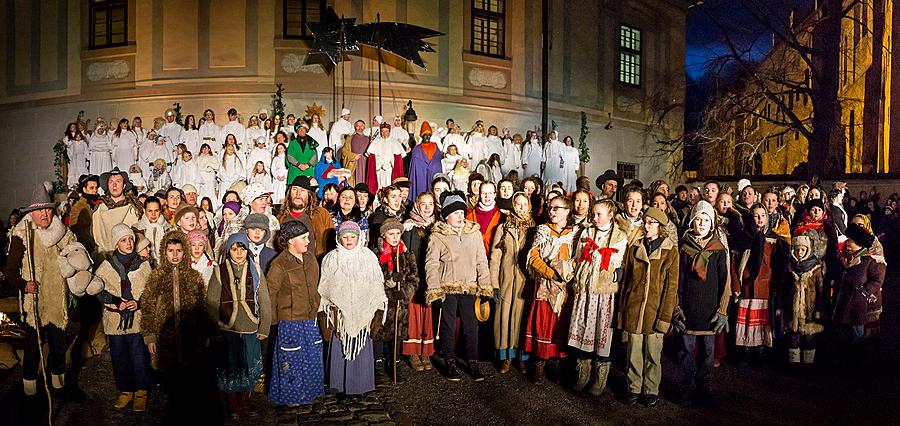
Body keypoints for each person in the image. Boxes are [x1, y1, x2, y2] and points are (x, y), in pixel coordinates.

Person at [5, 184, 89, 400]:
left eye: (48, 210)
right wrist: (24, 285)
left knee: (58, 345)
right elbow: (10, 269)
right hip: (34, 303)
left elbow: (76, 252)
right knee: (33, 346)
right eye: (39, 210)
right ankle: (30, 390)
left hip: (57, 300)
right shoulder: (22, 235)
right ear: (31, 213)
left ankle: (59, 386)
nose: (44, 214)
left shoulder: (62, 232)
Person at [141, 231, 212, 419]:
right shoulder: (156, 276)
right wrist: (149, 335)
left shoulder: (194, 277)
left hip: (190, 336)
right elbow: (147, 306)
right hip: (165, 335)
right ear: (164, 252)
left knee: (189, 372)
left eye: (179, 250)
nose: (175, 255)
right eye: (170, 250)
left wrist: (204, 334)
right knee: (168, 371)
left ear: (185, 251)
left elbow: (202, 307)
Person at [425, 191, 491, 382]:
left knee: (471, 327)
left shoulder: (474, 233)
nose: (460, 216)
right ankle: (450, 363)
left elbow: (481, 261)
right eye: (455, 213)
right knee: (448, 325)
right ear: (446, 216)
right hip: (448, 287)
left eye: (462, 212)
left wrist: (485, 286)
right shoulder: (437, 236)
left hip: (468, 287)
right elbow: (432, 264)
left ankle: (473, 363)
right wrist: (434, 289)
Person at [617, 207, 678, 407]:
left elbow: (671, 287)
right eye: (646, 221)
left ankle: (651, 389)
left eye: (652, 222)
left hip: (655, 310)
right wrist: (622, 311)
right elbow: (626, 280)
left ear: (660, 227)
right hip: (634, 309)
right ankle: (633, 386)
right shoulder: (635, 247)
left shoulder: (670, 251)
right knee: (633, 351)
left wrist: (665, 317)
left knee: (653, 353)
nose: (647, 225)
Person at [207, 232, 271, 418]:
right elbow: (211, 302)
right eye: (234, 249)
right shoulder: (220, 271)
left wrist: (264, 326)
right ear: (229, 251)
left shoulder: (255, 270)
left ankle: (245, 400)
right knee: (231, 367)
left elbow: (264, 300)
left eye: (242, 249)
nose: (238, 253)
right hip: (228, 327)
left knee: (248, 365)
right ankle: (232, 403)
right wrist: (213, 329)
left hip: (250, 326)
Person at [319, 221, 387, 396]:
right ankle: (338, 385)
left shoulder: (368, 257)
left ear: (360, 238)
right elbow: (324, 287)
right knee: (340, 348)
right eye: (345, 237)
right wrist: (324, 310)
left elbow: (376, 285)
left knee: (361, 348)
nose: (349, 240)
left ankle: (359, 386)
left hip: (363, 313)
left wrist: (377, 309)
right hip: (339, 316)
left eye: (352, 237)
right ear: (339, 238)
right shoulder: (331, 258)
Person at [568, 199, 627, 395]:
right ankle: (583, 374)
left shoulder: (619, 236)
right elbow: (577, 256)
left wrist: (600, 256)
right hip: (585, 290)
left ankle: (600, 378)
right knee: (584, 329)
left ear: (610, 215)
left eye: (599, 214)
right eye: (593, 214)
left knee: (602, 334)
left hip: (604, 293)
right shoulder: (587, 232)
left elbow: (619, 263)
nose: (594, 218)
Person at [672, 201, 728, 407]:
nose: (702, 224)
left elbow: (725, 281)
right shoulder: (684, 248)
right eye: (699, 220)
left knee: (707, 351)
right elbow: (677, 281)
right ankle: (686, 385)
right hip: (688, 308)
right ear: (692, 223)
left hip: (709, 310)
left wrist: (722, 310)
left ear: (711, 224)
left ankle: (704, 383)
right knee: (686, 349)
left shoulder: (718, 249)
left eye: (706, 220)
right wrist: (676, 307)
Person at [94, 224, 154, 411]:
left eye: (130, 239)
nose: (128, 243)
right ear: (116, 243)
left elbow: (151, 289)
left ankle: (141, 390)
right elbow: (98, 290)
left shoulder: (143, 265)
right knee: (119, 356)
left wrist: (139, 302)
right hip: (115, 321)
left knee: (138, 355)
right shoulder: (106, 266)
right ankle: (126, 389)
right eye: (123, 240)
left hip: (136, 319)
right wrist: (114, 300)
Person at [265, 221, 324, 409]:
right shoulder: (279, 264)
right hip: (290, 322)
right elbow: (270, 294)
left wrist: (317, 306)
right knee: (291, 361)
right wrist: (272, 322)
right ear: (290, 241)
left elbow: (316, 286)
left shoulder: (310, 259)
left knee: (312, 357)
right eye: (303, 238)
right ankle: (292, 396)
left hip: (310, 319)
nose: (308, 241)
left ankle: (311, 391)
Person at [525, 194, 576, 383]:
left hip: (565, 287)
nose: (552, 211)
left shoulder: (575, 233)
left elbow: (577, 257)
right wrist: (550, 273)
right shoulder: (543, 230)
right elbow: (533, 257)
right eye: (550, 208)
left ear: (567, 211)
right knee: (543, 323)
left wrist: (566, 273)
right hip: (546, 286)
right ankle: (539, 363)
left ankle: (555, 363)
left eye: (556, 208)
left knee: (559, 324)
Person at [733, 204, 787, 366]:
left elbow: (778, 266)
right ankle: (746, 351)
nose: (760, 219)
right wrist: (736, 286)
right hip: (748, 288)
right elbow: (734, 264)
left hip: (766, 287)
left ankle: (761, 352)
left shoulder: (774, 239)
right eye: (756, 215)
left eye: (762, 215)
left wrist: (777, 289)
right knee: (748, 322)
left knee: (763, 322)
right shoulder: (743, 237)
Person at [490, 192, 535, 374]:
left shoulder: (534, 228)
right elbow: (495, 256)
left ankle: (522, 357)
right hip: (506, 278)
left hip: (525, 280)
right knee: (504, 317)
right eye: (518, 204)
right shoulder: (503, 228)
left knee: (521, 318)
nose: (522, 208)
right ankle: (504, 357)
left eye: (525, 204)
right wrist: (493, 282)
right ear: (513, 206)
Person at [370, 218, 418, 382]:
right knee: (379, 332)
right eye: (391, 234)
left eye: (398, 233)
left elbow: (413, 278)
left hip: (399, 303)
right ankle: (377, 365)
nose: (395, 237)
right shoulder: (376, 254)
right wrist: (386, 281)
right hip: (382, 302)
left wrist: (404, 292)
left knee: (396, 333)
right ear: (384, 235)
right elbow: (371, 277)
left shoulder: (406, 254)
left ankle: (393, 363)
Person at [401, 192, 438, 371]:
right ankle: (413, 352)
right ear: (416, 205)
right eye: (423, 204)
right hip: (414, 278)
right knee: (413, 314)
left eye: (430, 204)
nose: (427, 208)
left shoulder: (437, 227)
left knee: (428, 314)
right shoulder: (408, 226)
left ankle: (426, 351)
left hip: (430, 277)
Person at [785, 235, 826, 365]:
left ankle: (808, 363)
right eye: (797, 250)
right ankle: (794, 362)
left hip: (810, 309)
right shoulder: (790, 267)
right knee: (793, 336)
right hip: (794, 310)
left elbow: (820, 291)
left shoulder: (815, 269)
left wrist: (819, 309)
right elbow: (784, 288)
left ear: (808, 250)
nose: (800, 253)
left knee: (809, 337)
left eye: (803, 250)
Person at [92, 168, 143, 254]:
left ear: (124, 185)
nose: (114, 185)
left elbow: (140, 233)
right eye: (111, 182)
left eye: (118, 181)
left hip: (129, 255)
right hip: (104, 255)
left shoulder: (134, 208)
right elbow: (93, 233)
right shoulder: (100, 208)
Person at [366, 122, 407, 191]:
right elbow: (371, 157)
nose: (384, 133)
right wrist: (379, 164)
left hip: (389, 170)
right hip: (379, 169)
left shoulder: (395, 142)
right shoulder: (375, 142)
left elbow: (399, 158)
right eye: (382, 131)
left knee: (389, 186)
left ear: (389, 132)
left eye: (386, 131)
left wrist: (390, 163)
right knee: (379, 186)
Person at [408, 122, 443, 201]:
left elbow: (437, 162)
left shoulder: (435, 146)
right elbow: (415, 167)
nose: (427, 137)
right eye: (425, 135)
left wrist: (432, 167)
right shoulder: (417, 149)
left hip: (433, 174)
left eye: (429, 135)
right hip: (421, 175)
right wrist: (423, 168)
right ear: (422, 136)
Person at [133, 196, 171, 264]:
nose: (153, 214)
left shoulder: (168, 228)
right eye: (150, 211)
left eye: (156, 210)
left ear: (160, 210)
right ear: (144, 210)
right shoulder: (137, 229)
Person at [467, 181, 501, 257]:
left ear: (495, 195)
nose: (487, 196)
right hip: (474, 260)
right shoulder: (469, 216)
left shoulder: (501, 217)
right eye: (484, 193)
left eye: (490, 193)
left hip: (495, 262)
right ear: (479, 194)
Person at [69, 174, 101, 253]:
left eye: (96, 188)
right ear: (84, 189)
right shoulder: (77, 207)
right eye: (91, 188)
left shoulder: (101, 203)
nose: (95, 190)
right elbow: (74, 230)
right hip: (87, 248)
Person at [368, 185, 406, 250]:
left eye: (399, 196)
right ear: (386, 199)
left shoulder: (405, 213)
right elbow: (375, 241)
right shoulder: (379, 218)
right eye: (393, 197)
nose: (397, 200)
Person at [342, 120, 371, 186]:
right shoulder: (350, 138)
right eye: (358, 126)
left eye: (361, 126)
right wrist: (353, 156)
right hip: (354, 163)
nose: (360, 127)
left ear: (364, 127)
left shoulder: (368, 139)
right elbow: (344, 151)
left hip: (366, 163)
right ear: (355, 127)